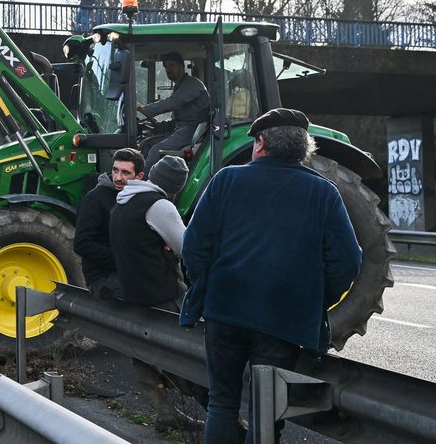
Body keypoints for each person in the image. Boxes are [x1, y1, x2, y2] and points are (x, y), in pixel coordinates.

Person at [181, 108, 362, 443]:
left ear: (260, 143)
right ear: (303, 148)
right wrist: (314, 298)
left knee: (221, 403)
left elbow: (193, 248)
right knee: (268, 411)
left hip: (225, 311)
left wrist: (209, 287)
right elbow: (349, 260)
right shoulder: (324, 193)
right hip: (284, 318)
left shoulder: (226, 180)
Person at [111, 155, 196, 431]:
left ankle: (166, 413)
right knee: (192, 361)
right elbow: (187, 249)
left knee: (144, 355)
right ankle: (231, 425)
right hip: (164, 294)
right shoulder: (160, 206)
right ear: (176, 187)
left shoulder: (123, 202)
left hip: (134, 294)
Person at [74, 148, 144, 300]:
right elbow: (81, 244)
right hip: (103, 278)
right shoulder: (95, 199)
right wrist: (122, 260)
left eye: (125, 173)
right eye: (115, 170)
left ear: (139, 176)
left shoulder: (140, 198)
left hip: (130, 272)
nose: (118, 177)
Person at [138, 52, 210, 168]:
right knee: (146, 144)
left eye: (171, 65)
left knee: (156, 150)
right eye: (166, 67)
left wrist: (142, 109)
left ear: (181, 67)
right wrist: (157, 127)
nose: (168, 69)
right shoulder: (180, 87)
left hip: (193, 130)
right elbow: (177, 121)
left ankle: (144, 184)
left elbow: (171, 103)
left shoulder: (192, 84)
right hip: (182, 129)